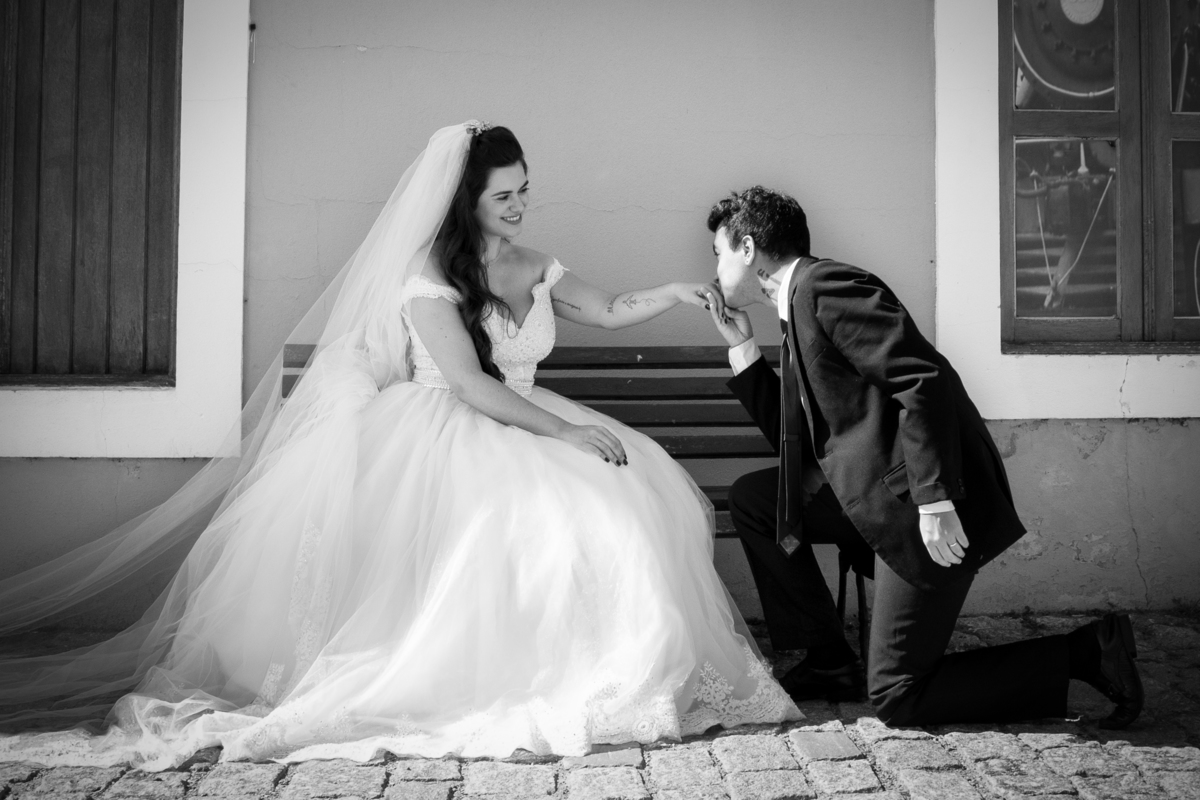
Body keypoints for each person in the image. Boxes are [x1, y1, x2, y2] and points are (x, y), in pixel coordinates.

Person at [0, 124, 799, 769]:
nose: (519, 206)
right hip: (447, 428)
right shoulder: (427, 275)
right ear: (465, 200)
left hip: (523, 414)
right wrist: (568, 431)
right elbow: (469, 385)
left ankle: (617, 675)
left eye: (524, 190)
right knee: (529, 525)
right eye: (503, 195)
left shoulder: (536, 264)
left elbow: (610, 306)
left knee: (624, 503)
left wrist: (672, 294)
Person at [702, 185, 1144, 728]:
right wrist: (744, 350)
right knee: (756, 499)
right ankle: (829, 662)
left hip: (923, 505)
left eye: (719, 253)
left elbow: (922, 381)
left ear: (748, 248)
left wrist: (935, 501)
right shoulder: (795, 305)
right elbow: (797, 442)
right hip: (874, 495)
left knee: (898, 695)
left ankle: (1087, 653)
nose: (715, 268)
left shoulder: (827, 287)